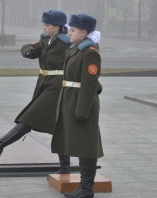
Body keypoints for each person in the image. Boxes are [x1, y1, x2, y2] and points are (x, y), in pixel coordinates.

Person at [0, 10, 73, 174]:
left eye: (48, 25)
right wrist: (30, 51)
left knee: (30, 117)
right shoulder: (46, 40)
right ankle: (65, 167)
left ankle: (0, 145)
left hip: (58, 86)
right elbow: (27, 48)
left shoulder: (66, 43)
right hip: (45, 84)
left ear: (57, 27)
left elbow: (79, 59)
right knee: (60, 126)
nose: (44, 27)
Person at [51, 13, 103, 198]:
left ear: (84, 32)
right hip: (70, 99)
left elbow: (89, 84)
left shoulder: (90, 53)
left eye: (73, 30)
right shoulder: (76, 49)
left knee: (86, 145)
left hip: (82, 103)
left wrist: (82, 111)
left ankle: (87, 189)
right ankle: (83, 187)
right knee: (79, 143)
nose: (69, 33)